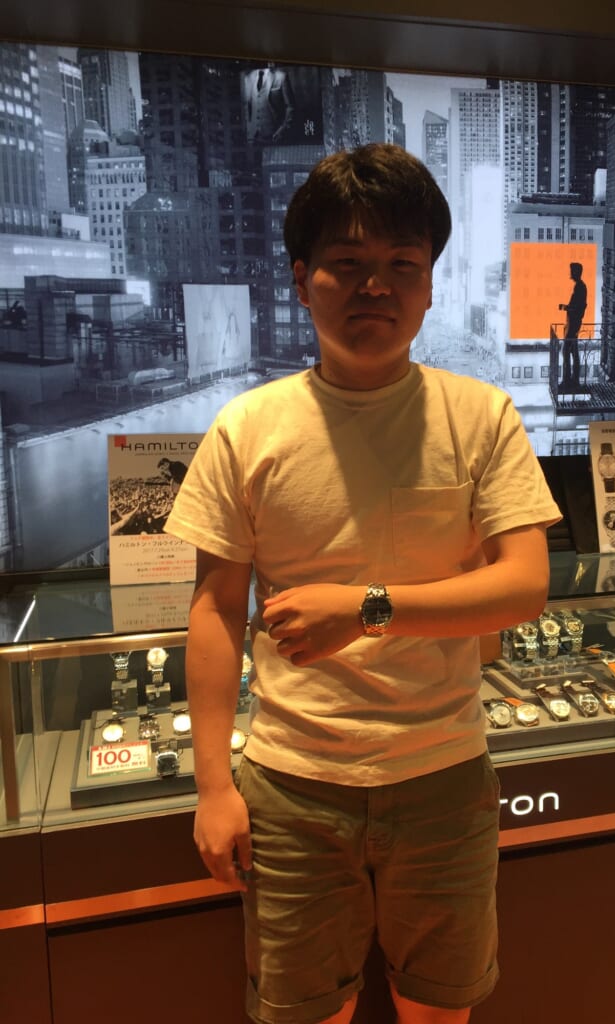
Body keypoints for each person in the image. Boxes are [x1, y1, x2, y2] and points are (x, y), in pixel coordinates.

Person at [165, 143, 561, 1024]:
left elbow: (523, 587)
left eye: (401, 265)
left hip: (445, 775)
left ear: (429, 286)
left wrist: (368, 608)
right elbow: (215, 610)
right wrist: (214, 787)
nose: (375, 286)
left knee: (440, 1010)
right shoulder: (246, 428)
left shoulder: (481, 415)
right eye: (346, 263)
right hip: (292, 783)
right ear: (302, 281)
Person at [244, 63, 295, 144]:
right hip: (254, 138)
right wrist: (249, 130)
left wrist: (281, 130)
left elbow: (290, 107)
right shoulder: (248, 78)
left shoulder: (281, 76)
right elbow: (246, 106)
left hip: (275, 137)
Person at [558, 262, 588, 390]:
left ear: (576, 272)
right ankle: (573, 380)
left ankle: (568, 381)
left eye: (572, 270)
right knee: (573, 351)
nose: (570, 273)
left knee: (566, 351)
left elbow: (576, 307)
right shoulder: (580, 286)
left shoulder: (580, 287)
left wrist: (564, 307)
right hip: (573, 323)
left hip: (573, 324)